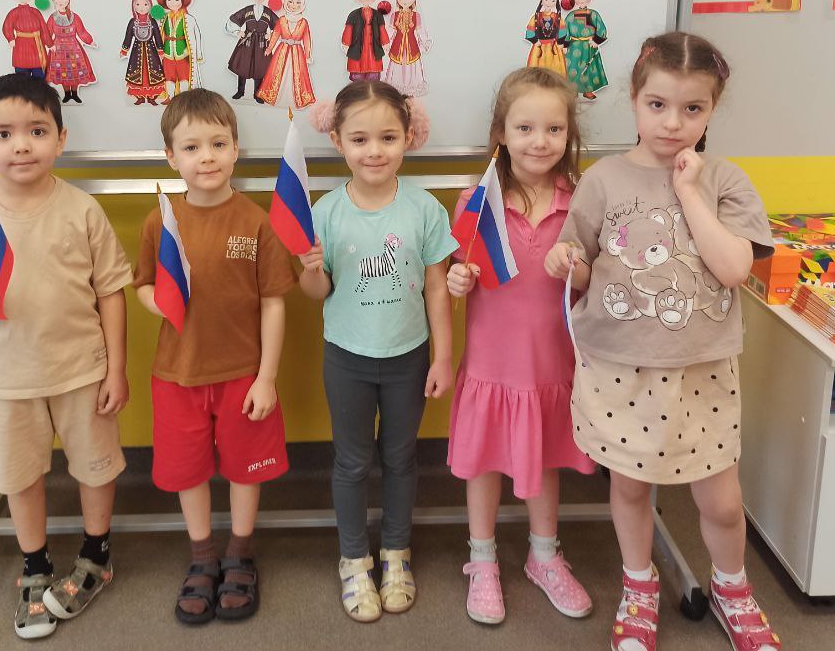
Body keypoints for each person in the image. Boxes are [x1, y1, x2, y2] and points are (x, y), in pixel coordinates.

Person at [545, 32, 781, 651]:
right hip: (621, 365)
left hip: (702, 368)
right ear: (633, 100)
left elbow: (733, 268)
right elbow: (583, 267)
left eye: (692, 109)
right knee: (630, 488)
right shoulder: (602, 179)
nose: (673, 123)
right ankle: (639, 584)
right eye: (657, 105)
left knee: (722, 500)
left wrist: (688, 190)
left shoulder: (725, 180)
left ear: (711, 109)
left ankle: (732, 590)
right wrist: (566, 262)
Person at [0, 74, 133, 640]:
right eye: (4, 134)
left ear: (61, 138)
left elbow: (111, 291)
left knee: (96, 466)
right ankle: (35, 566)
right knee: (20, 477)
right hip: (9, 377)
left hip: (82, 371)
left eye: (37, 131)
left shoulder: (82, 210)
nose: (21, 145)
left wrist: (116, 368)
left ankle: (96, 555)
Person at [134, 89, 296, 624]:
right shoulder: (160, 222)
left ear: (235, 149)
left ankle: (240, 553)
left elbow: (273, 304)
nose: (207, 157)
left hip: (243, 376)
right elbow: (142, 285)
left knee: (246, 469)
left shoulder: (256, 221)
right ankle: (203, 555)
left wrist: (266, 378)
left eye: (218, 144)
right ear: (171, 157)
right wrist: (159, 301)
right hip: (177, 375)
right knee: (188, 470)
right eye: (192, 147)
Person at [299, 81, 456, 623]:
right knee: (351, 461)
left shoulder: (425, 209)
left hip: (409, 356)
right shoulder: (325, 212)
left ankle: (395, 553)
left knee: (401, 457)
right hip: (346, 357)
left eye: (388, 137)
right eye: (360, 139)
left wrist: (443, 357)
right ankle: (353, 558)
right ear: (338, 141)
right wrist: (309, 269)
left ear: (408, 137)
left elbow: (437, 287)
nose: (374, 151)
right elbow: (318, 291)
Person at [447, 67, 594, 626]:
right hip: (491, 364)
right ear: (502, 134)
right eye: (525, 128)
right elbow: (457, 270)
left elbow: (593, 283)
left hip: (550, 367)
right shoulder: (476, 201)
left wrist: (576, 267)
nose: (540, 141)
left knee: (545, 459)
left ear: (569, 134)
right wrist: (458, 279)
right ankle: (482, 560)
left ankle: (544, 556)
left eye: (554, 129)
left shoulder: (580, 202)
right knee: (483, 463)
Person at [259, 0, 316, 109]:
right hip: (282, 50)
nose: (294, 5)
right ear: (286, 3)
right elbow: (275, 34)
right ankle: (275, 95)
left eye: (297, 3)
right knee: (277, 70)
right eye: (291, 2)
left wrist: (308, 55)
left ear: (302, 5)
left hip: (297, 52)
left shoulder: (304, 22)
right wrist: (269, 48)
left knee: (298, 73)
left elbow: (307, 39)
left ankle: (297, 98)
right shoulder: (282, 20)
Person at [226, 0, 278, 102]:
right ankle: (240, 91)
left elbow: (279, 26)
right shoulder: (247, 10)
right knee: (243, 66)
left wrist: (271, 35)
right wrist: (237, 32)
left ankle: (257, 94)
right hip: (247, 43)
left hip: (262, 44)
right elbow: (233, 20)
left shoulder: (268, 12)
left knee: (260, 68)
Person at [44, 0, 96, 104]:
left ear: (68, 0)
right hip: (58, 50)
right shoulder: (52, 18)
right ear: (53, 0)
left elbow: (82, 32)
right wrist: (49, 44)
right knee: (62, 73)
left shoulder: (74, 17)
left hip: (74, 48)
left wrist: (90, 41)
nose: (60, 1)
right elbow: (47, 33)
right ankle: (67, 94)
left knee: (75, 71)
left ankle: (75, 93)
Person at [562, 0, 608, 100]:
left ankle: (588, 90)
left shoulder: (594, 14)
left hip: (589, 46)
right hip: (573, 47)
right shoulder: (570, 16)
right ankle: (573, 89)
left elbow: (602, 29)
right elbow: (565, 30)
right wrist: (565, 44)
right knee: (572, 67)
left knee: (589, 67)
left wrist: (597, 40)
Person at [382, 0, 430, 97]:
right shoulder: (394, 15)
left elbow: (420, 31)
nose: (405, 1)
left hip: (412, 45)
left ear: (414, 0)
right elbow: (390, 31)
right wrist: (385, 42)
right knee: (397, 65)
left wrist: (425, 42)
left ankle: (410, 86)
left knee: (411, 66)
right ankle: (397, 85)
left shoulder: (416, 16)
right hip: (397, 44)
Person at [157, 0, 204, 98]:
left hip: (182, 54)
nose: (173, 3)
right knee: (168, 77)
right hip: (167, 54)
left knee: (184, 77)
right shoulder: (164, 17)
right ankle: (170, 97)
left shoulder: (189, 19)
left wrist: (197, 54)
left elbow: (196, 35)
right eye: (169, 0)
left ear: (182, 1)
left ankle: (183, 97)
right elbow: (158, 32)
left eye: (176, 0)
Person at [120, 0, 168, 105]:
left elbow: (157, 37)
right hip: (136, 52)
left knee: (153, 73)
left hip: (152, 52)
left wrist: (160, 50)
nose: (141, 7)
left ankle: (152, 97)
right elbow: (128, 37)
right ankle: (140, 97)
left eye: (145, 4)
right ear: (133, 6)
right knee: (137, 74)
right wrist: (124, 50)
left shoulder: (152, 22)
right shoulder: (132, 22)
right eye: (138, 4)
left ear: (150, 6)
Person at [341, 0, 390, 82]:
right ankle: (359, 86)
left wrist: (385, 42)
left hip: (373, 48)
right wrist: (346, 43)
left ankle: (372, 85)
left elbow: (382, 29)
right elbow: (348, 30)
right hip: (357, 48)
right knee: (357, 74)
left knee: (373, 72)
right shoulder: (353, 15)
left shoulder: (378, 15)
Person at [2, 0, 52, 78]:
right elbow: (7, 26)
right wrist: (11, 38)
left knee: (39, 75)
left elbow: (44, 28)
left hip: (37, 46)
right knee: (22, 76)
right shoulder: (14, 12)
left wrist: (50, 44)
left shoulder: (35, 12)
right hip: (21, 45)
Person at [524, 0, 568, 75]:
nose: (549, 3)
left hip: (554, 49)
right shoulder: (536, 17)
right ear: (542, 1)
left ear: (556, 3)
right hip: (539, 48)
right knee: (538, 72)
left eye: (553, 1)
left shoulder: (558, 18)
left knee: (556, 71)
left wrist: (562, 43)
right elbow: (529, 32)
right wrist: (535, 41)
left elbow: (563, 31)